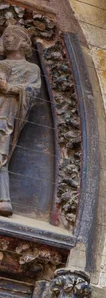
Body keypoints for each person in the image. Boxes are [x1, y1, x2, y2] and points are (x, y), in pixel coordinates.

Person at [0, 25, 41, 217]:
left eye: (12, 36)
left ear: (23, 42)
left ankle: (4, 199)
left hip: (8, 112)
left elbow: (32, 91)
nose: (8, 39)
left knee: (1, 151)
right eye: (5, 36)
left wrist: (9, 88)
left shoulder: (31, 68)